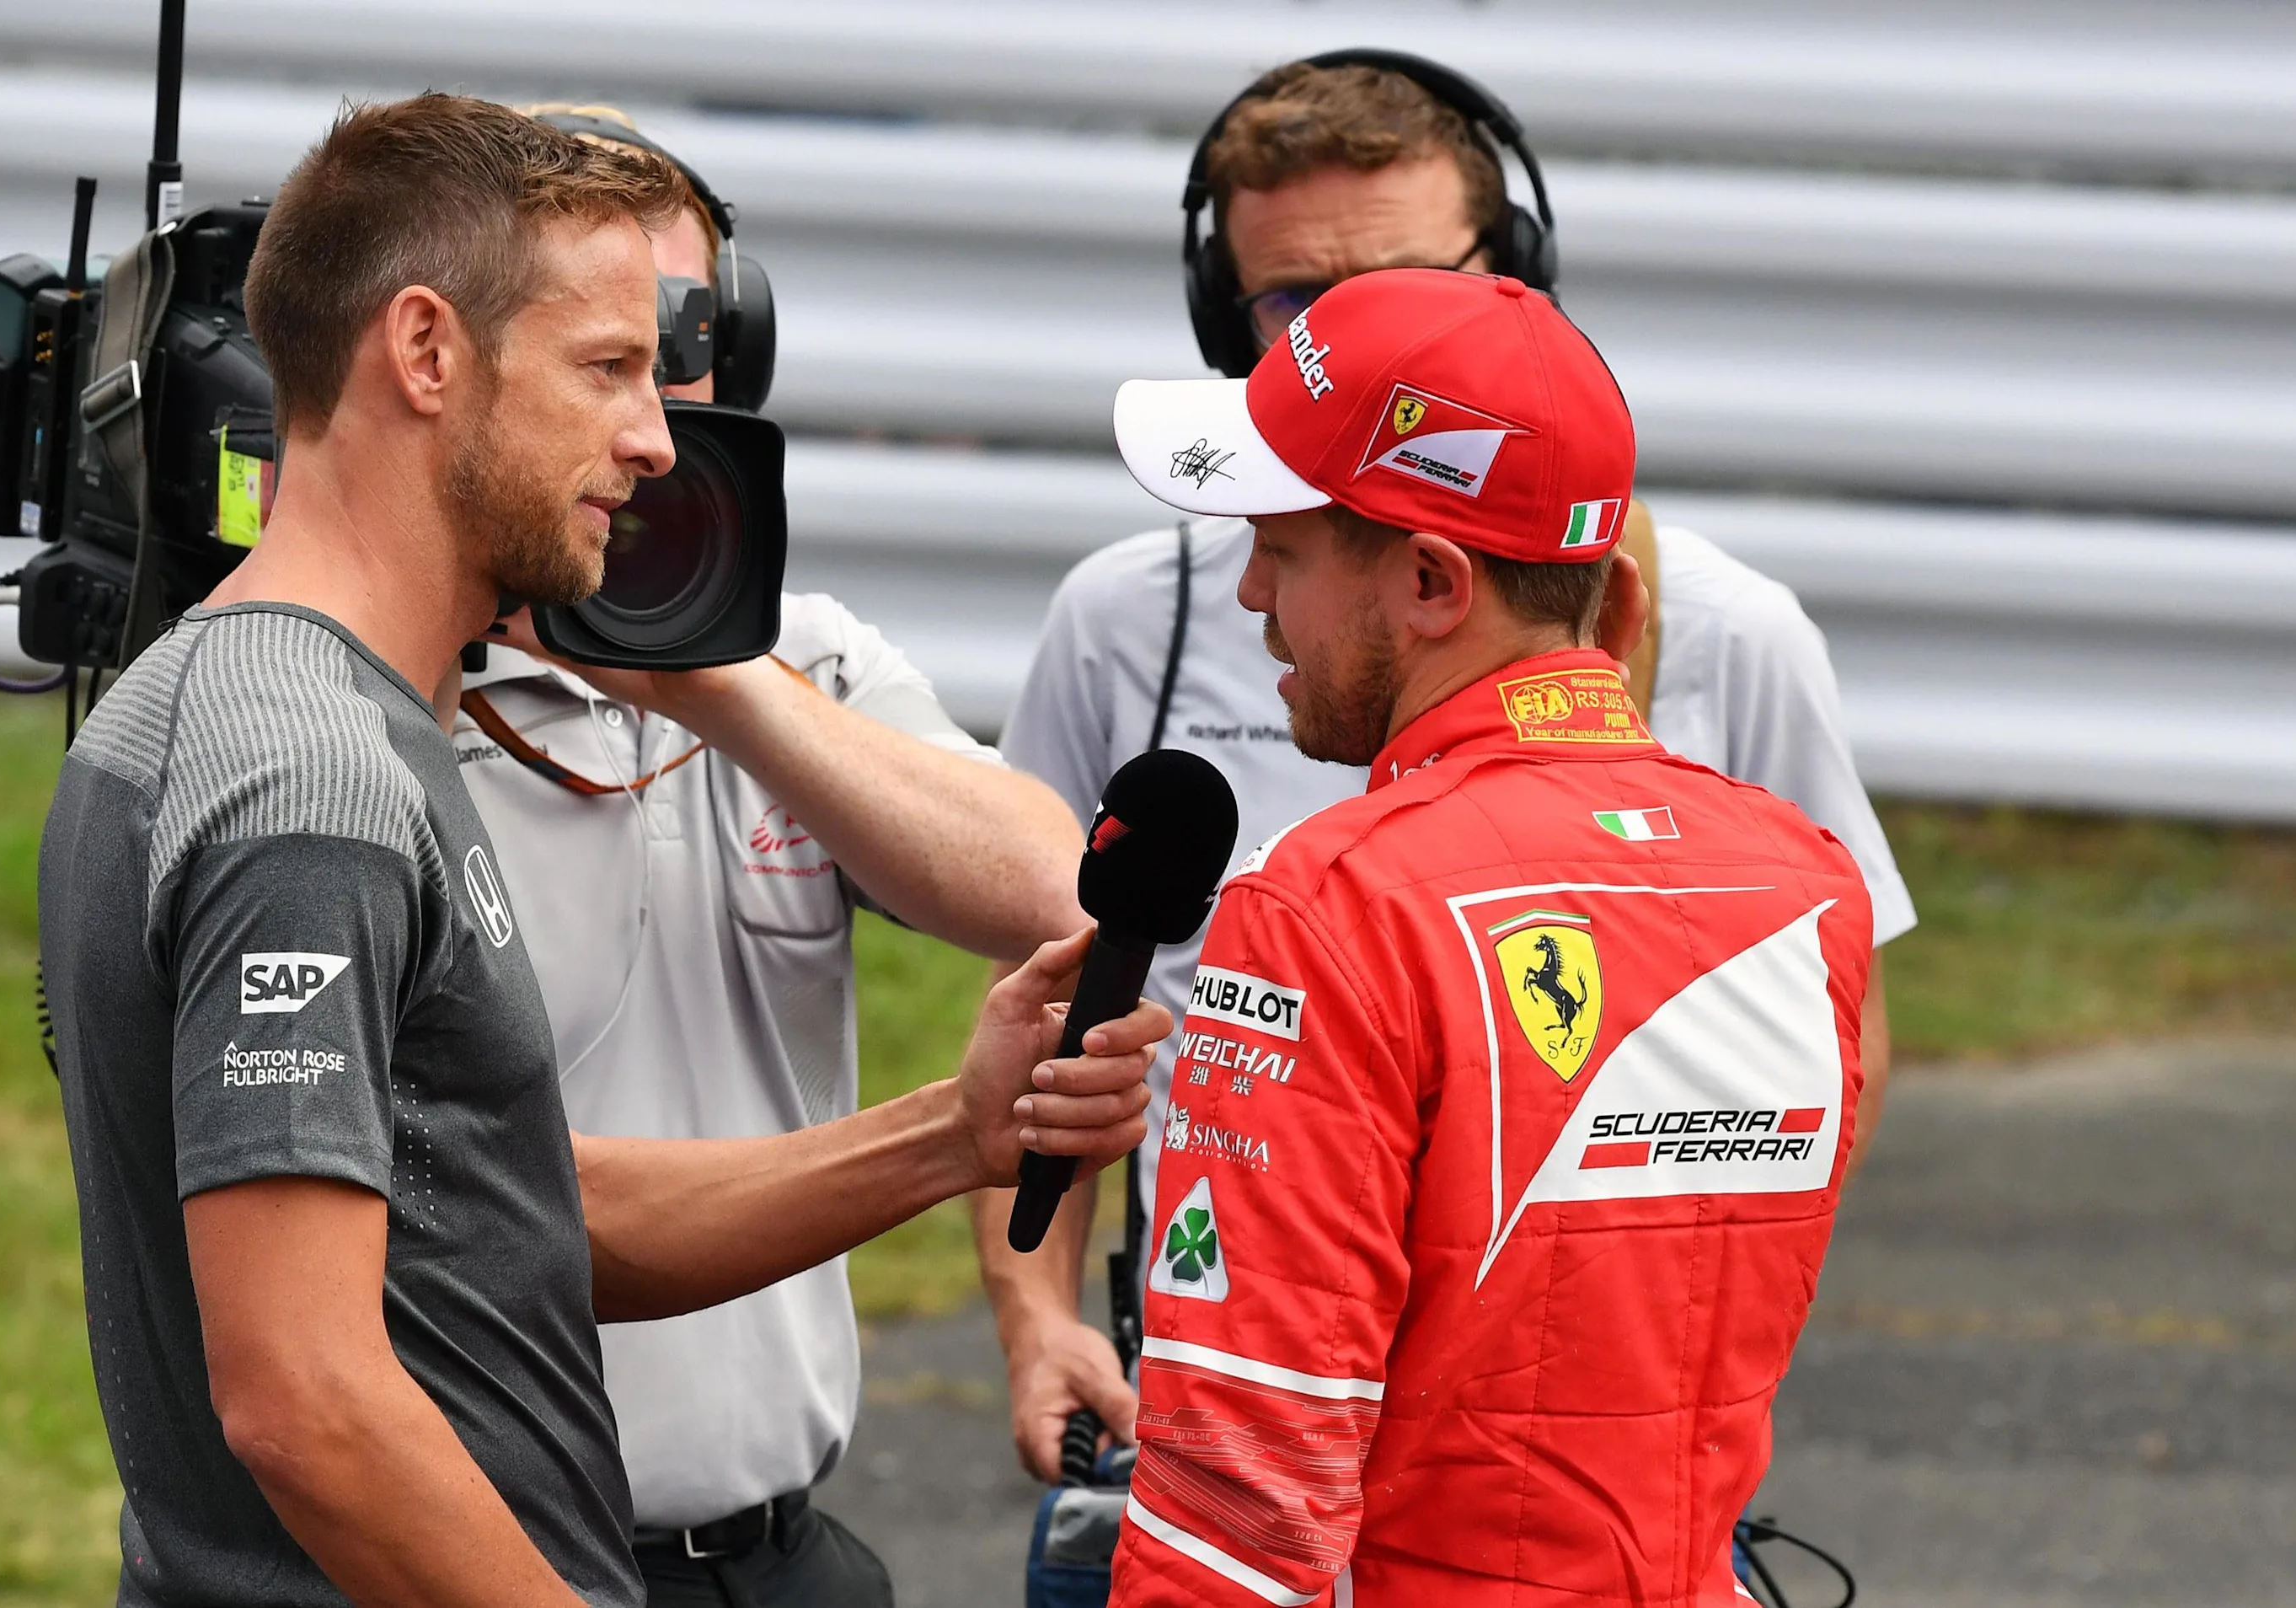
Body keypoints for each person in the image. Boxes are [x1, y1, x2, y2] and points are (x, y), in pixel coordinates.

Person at [35, 95, 1164, 1608]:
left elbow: (501, 1224)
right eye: (609, 370)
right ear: (426, 353)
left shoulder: (254, 707)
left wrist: (954, 1135)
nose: (655, 435)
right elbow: (305, 1401)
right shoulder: (308, 776)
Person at [975, 53, 1917, 1485]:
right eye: (1294, 305)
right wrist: (1036, 1318)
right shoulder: (1124, 615)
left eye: (1405, 287)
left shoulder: (1737, 640)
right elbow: (1050, 1007)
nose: (1250, 596)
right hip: (1204, 1400)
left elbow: (1819, 1060)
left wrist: (1627, 1368)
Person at [1098, 266, 1874, 1603]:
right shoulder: (1806, 888)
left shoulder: (1330, 907)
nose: (1247, 597)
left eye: (1280, 548)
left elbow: (1241, 1490)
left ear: (1432, 580)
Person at [455, 105, 1089, 1606]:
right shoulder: (378, 684)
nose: (648, 402)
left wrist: (702, 671)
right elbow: (512, 1207)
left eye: (674, 338)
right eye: (596, 346)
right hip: (481, 1560)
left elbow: (1050, 889)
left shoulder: (793, 659)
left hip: (776, 1552)